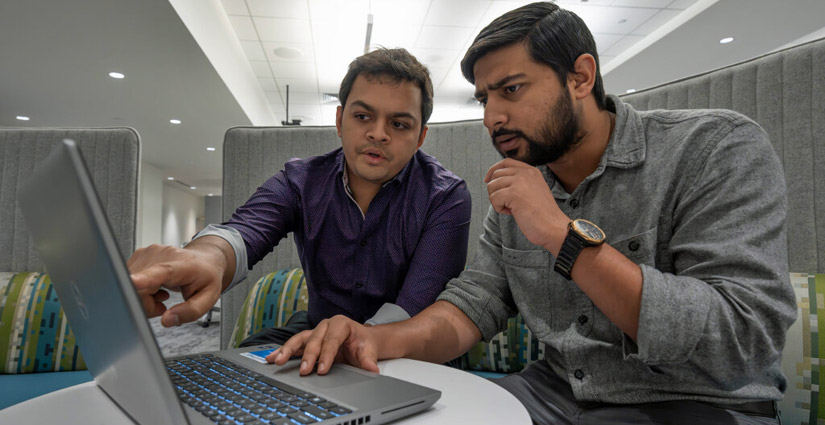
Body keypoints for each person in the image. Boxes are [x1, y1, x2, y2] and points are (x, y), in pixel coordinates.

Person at [267, 3, 796, 424]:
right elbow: (473, 304)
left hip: (697, 405)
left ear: (581, 77)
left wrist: (563, 237)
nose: (494, 116)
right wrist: (374, 339)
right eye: (484, 99)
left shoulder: (715, 148)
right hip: (551, 395)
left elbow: (743, 338)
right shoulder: (521, 186)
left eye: (512, 90)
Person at [127, 48, 472, 346]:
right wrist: (207, 258)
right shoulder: (301, 181)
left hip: (406, 344)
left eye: (399, 124)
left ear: (421, 136)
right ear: (340, 120)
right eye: (363, 116)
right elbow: (244, 231)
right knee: (244, 362)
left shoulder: (445, 196)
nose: (378, 134)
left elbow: (414, 307)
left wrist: (354, 343)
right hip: (317, 330)